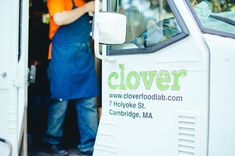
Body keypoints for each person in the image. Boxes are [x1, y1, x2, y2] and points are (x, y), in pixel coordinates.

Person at [42, 0, 99, 156]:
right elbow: (59, 19)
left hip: (83, 58)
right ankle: (50, 142)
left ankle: (89, 145)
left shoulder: (83, 1)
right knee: (60, 102)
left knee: (88, 102)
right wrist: (86, 8)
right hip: (62, 58)